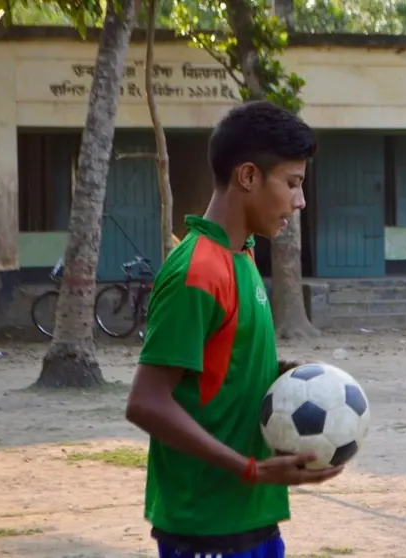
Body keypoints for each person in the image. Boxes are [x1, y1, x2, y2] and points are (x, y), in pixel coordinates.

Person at [125, 100, 342, 558]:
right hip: (206, 526)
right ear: (248, 177)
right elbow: (147, 402)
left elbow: (221, 368)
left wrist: (293, 378)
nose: (300, 201)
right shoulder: (197, 270)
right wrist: (249, 469)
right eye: (293, 183)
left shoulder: (240, 258)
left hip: (254, 519)